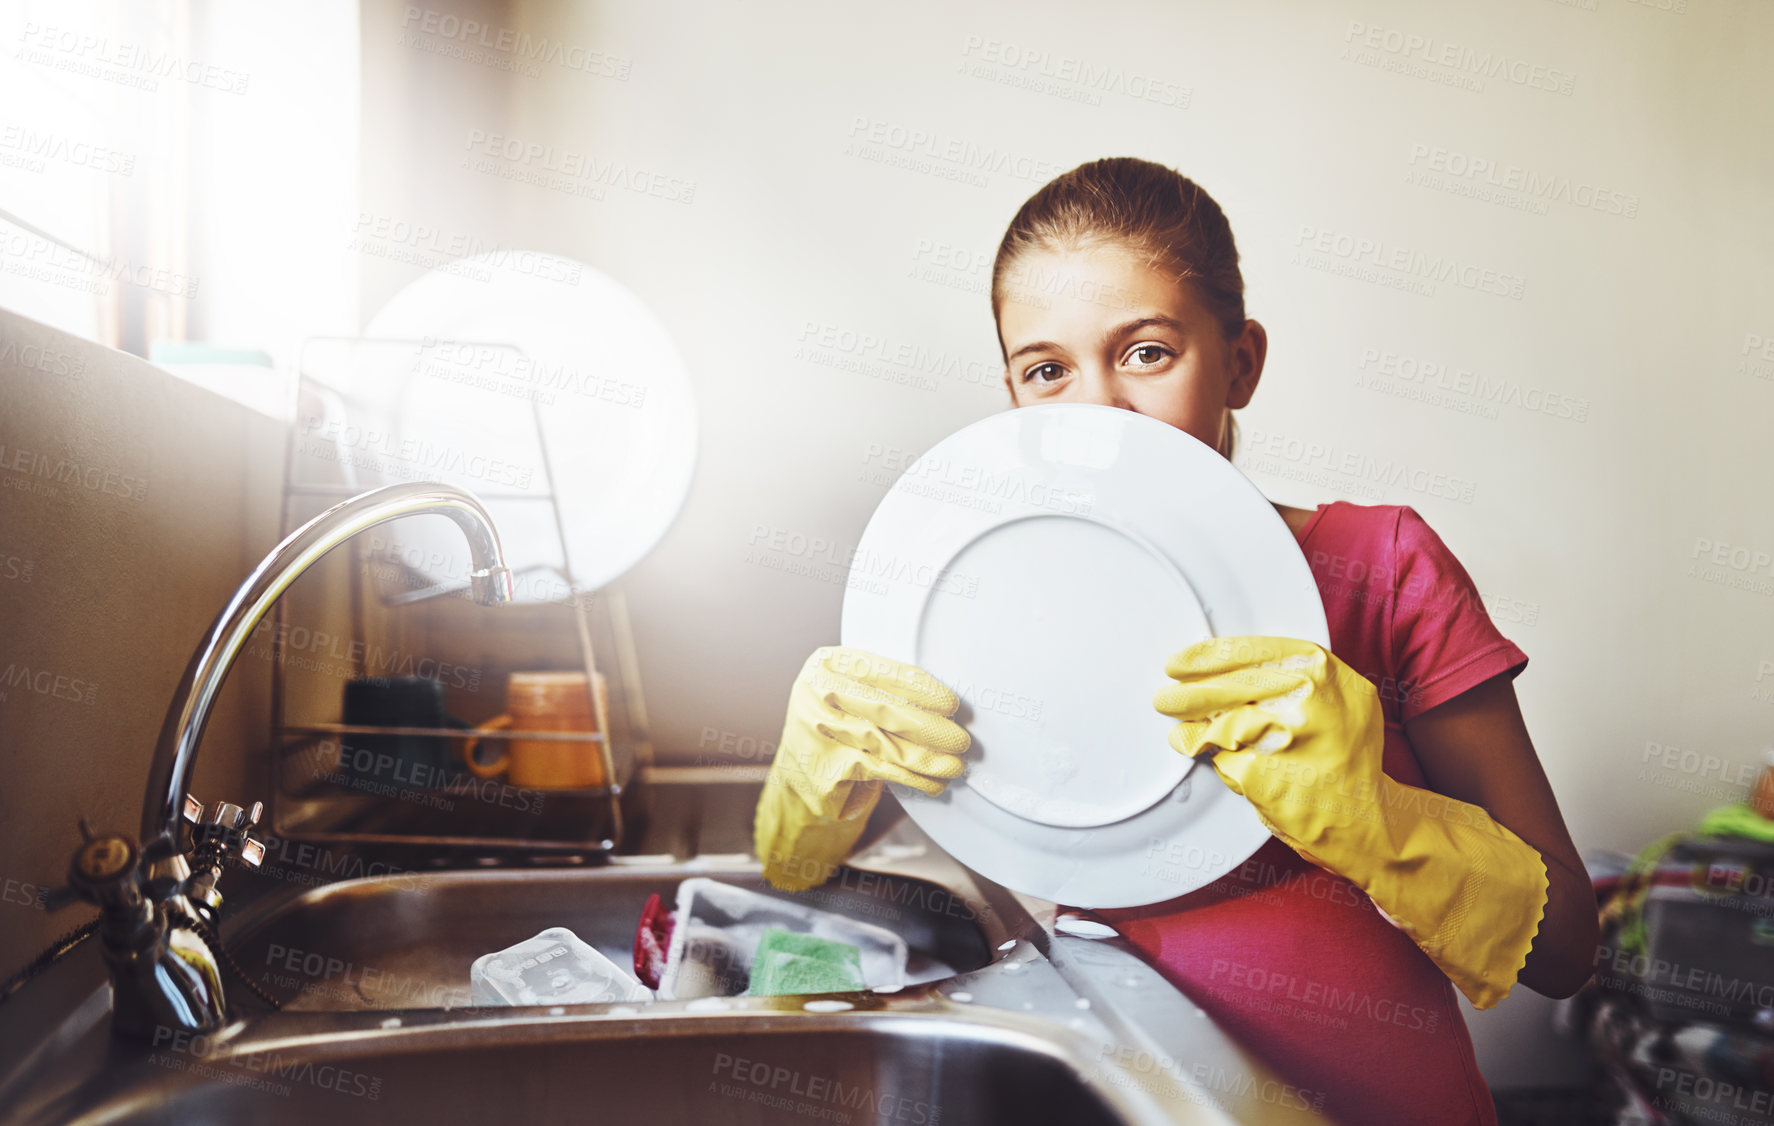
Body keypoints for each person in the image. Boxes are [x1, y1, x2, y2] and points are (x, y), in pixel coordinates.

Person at [752, 157, 1597, 1125]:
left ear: (1239, 362)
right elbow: (807, 870)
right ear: (1013, 399)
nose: (1098, 410)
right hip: (1147, 1097)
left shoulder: (1384, 565)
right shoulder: (987, 601)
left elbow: (1571, 953)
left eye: (1147, 352)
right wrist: (805, 789)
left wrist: (1378, 816)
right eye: (1047, 371)